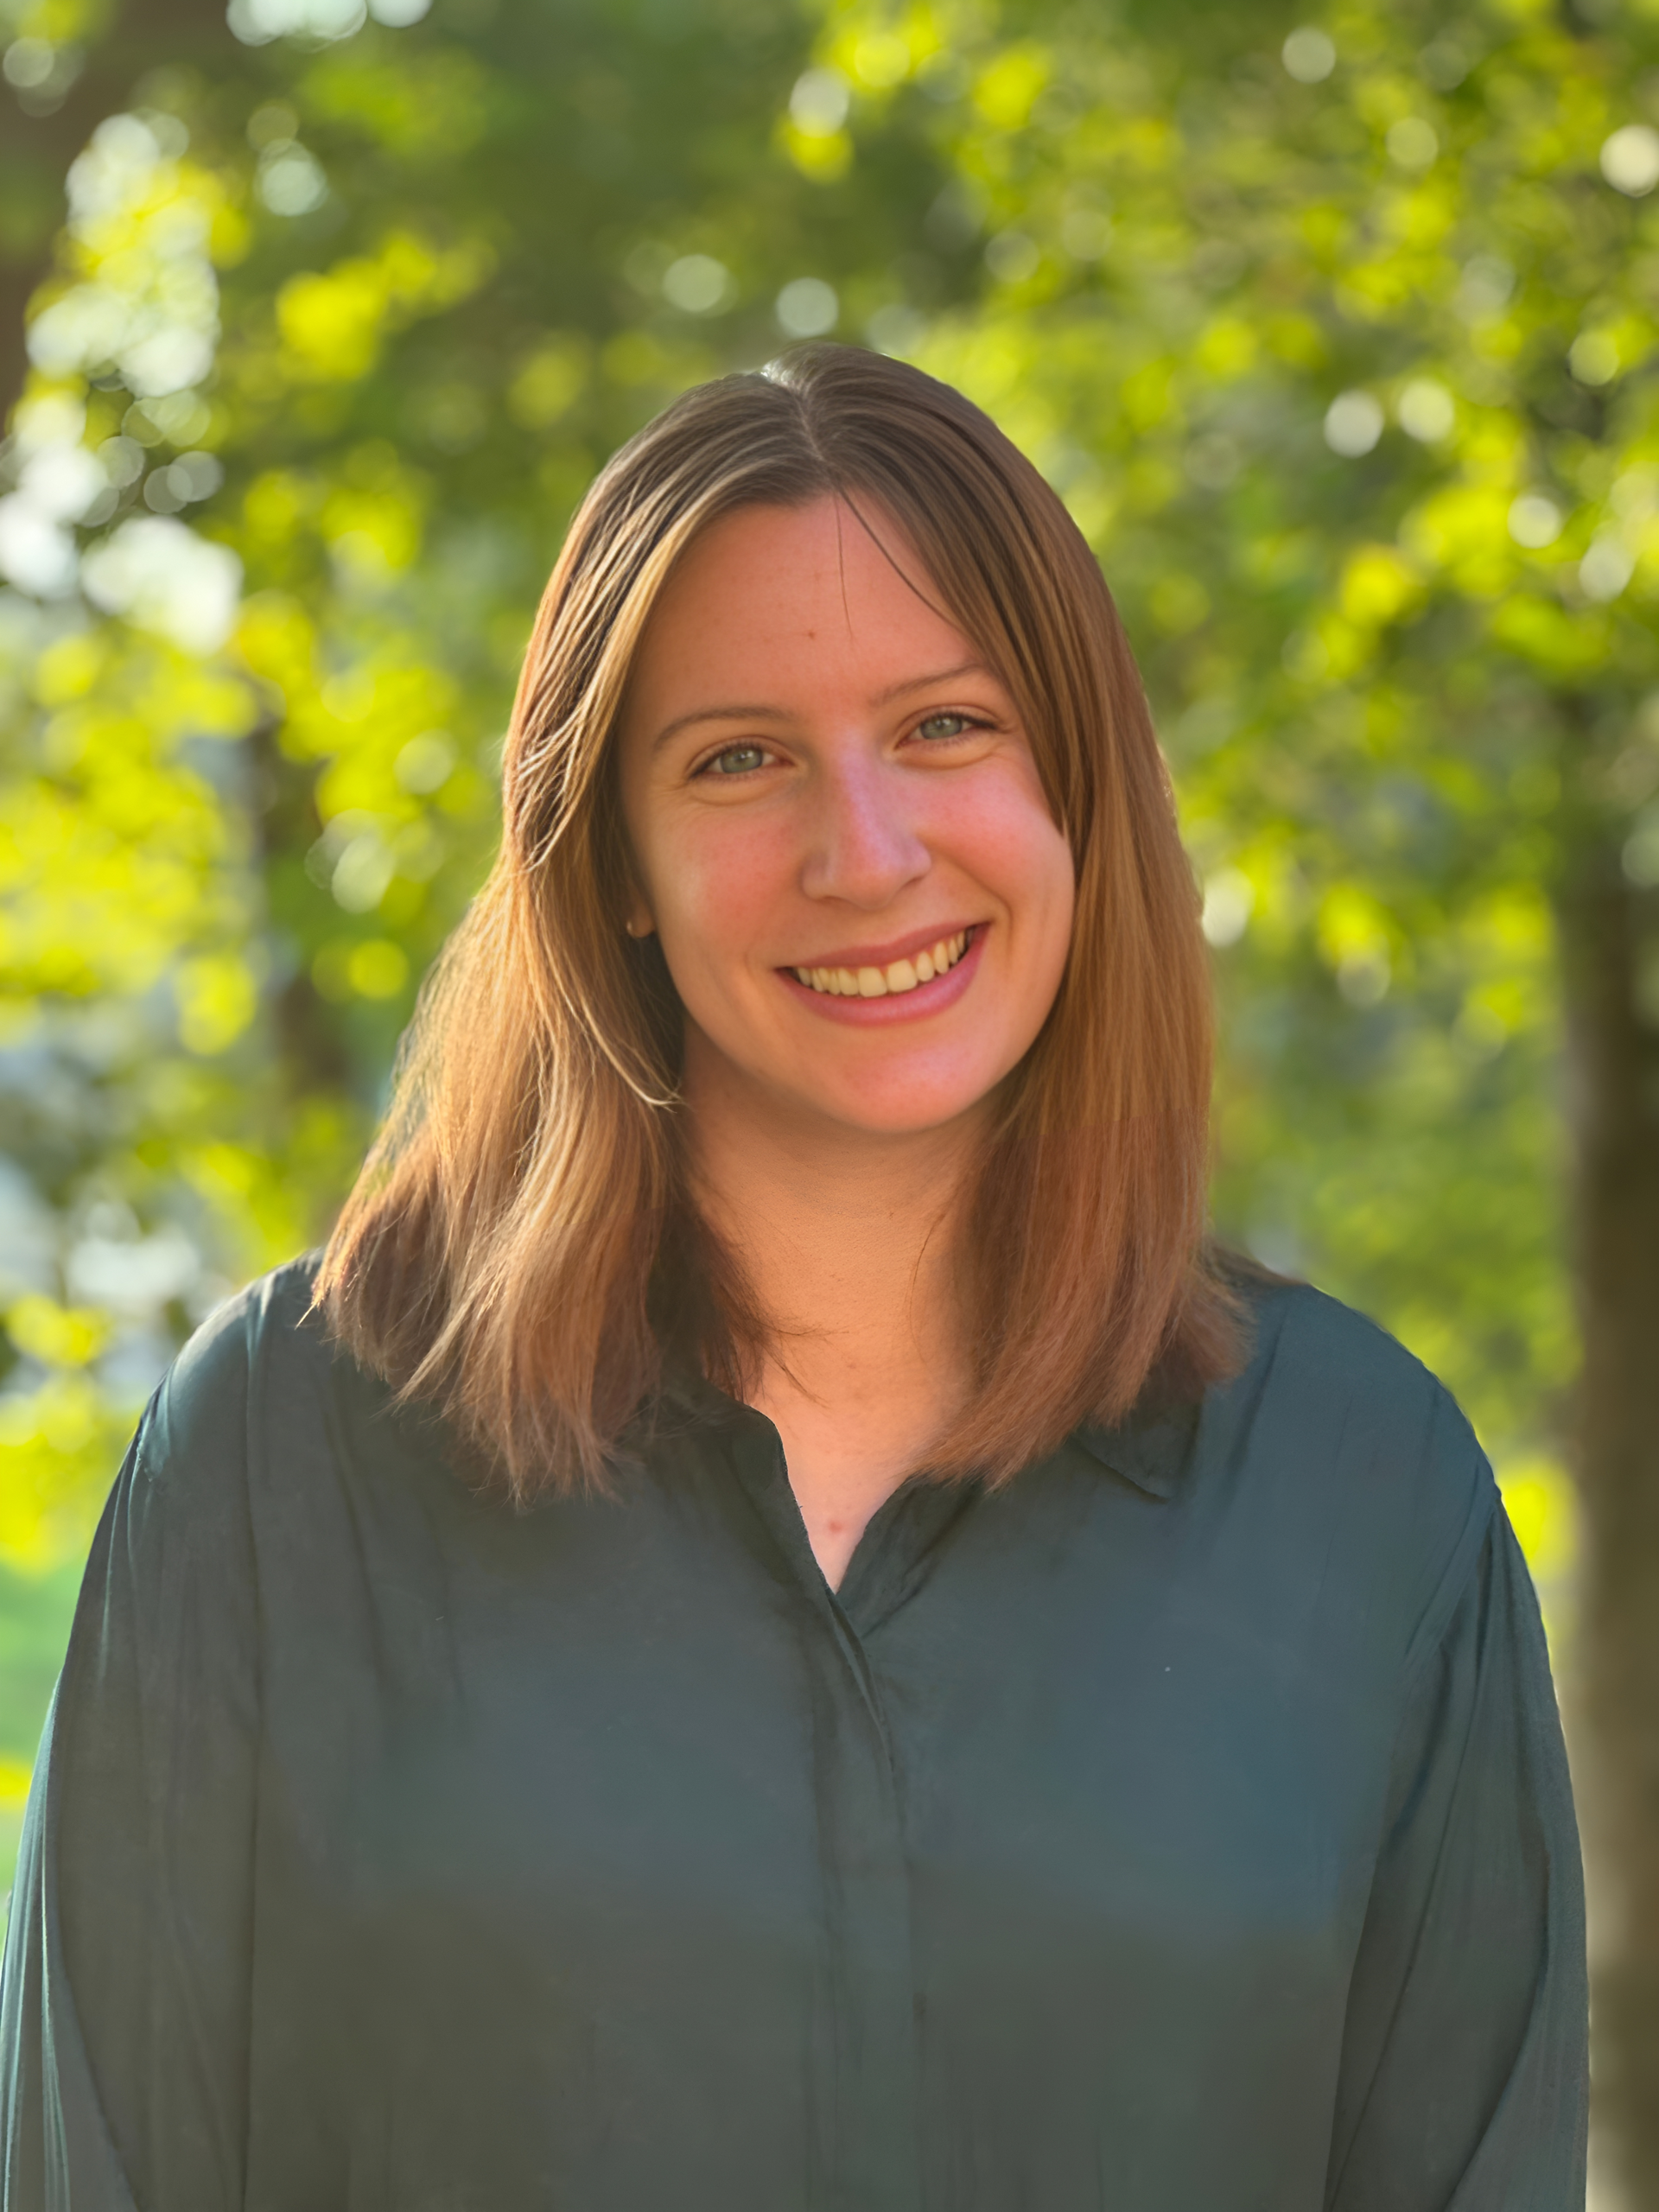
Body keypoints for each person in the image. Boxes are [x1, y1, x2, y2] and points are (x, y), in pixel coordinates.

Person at [0, 344, 1586, 2210]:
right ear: (615, 865)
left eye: (946, 727)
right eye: (741, 757)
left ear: (1080, 787)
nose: (867, 850)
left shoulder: (1368, 1492)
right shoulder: (281, 1459)